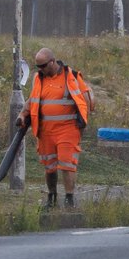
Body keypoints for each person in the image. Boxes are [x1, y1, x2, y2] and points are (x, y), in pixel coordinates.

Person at [23, 47, 94, 207]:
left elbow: (86, 98)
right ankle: (52, 197)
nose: (40, 70)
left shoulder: (71, 76)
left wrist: (83, 122)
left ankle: (69, 198)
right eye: (38, 67)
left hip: (68, 129)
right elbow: (32, 99)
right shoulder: (38, 79)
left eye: (43, 66)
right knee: (50, 167)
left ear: (52, 62)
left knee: (67, 164)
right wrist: (22, 115)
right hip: (45, 131)